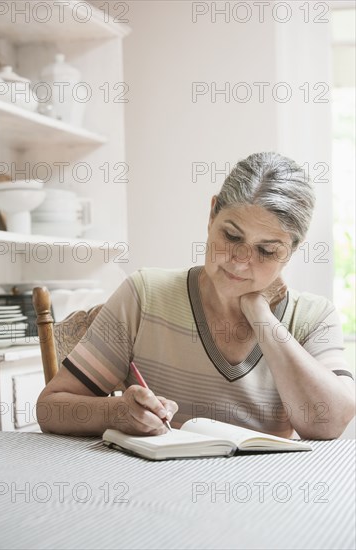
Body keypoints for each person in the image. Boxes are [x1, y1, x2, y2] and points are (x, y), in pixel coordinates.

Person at [36, 152, 355, 439]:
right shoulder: (145, 295)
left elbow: (330, 423)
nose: (241, 261)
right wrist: (118, 413)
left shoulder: (314, 317)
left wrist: (261, 317)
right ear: (212, 214)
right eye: (231, 236)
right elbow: (51, 408)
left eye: (266, 251)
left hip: (263, 497)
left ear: (290, 252)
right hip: (155, 492)